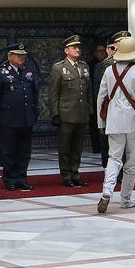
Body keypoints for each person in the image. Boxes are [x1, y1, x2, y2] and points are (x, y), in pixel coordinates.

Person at [96, 34, 135, 213]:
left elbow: (101, 98)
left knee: (114, 158)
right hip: (133, 122)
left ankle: (106, 192)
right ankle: (126, 199)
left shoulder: (108, 71)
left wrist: (100, 123)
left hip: (113, 120)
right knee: (131, 162)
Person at [0, 43, 39, 191]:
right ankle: (10, 179)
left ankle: (22, 177)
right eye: (18, 55)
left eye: (23, 55)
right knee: (8, 151)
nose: (22, 57)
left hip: (26, 117)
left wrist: (35, 110)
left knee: (24, 151)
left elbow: (34, 93)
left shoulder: (28, 72)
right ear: (10, 57)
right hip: (9, 117)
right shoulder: (1, 72)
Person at [48, 35, 91, 187]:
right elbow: (54, 93)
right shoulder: (59, 68)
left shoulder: (84, 67)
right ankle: (66, 175)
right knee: (65, 147)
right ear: (67, 50)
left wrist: (90, 110)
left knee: (77, 147)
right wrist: (55, 113)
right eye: (74, 47)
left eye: (79, 47)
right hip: (66, 114)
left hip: (81, 113)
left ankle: (75, 173)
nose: (78, 49)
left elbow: (88, 92)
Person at [88, 41, 110, 167]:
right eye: (99, 51)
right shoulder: (91, 66)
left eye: (103, 51)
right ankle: (96, 147)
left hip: (107, 103)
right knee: (96, 126)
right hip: (96, 99)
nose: (101, 53)